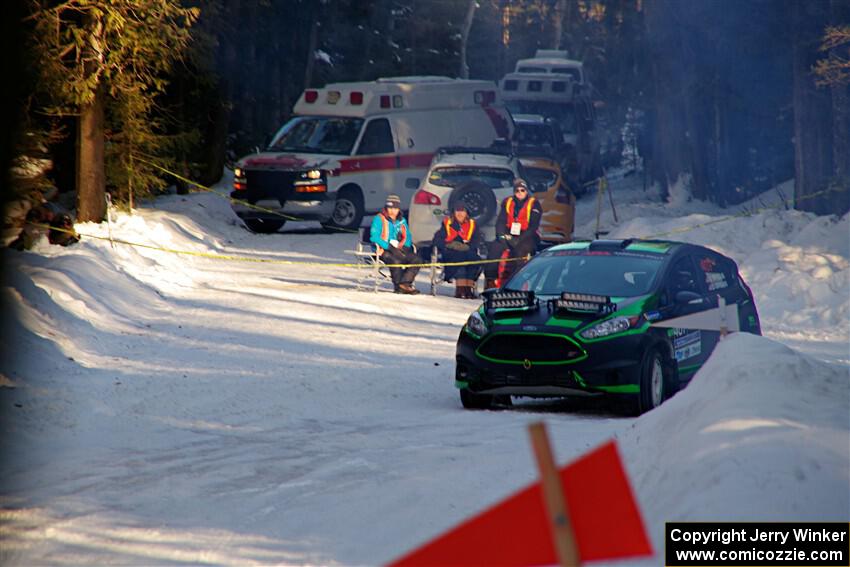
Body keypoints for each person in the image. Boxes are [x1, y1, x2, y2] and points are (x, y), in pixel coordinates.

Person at [484, 178, 542, 289]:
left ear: (526, 191)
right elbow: (501, 221)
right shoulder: (507, 202)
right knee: (495, 249)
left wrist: (519, 239)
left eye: (522, 190)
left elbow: (533, 226)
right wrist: (502, 237)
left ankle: (515, 283)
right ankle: (491, 282)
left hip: (527, 236)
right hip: (509, 233)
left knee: (520, 252)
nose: (520, 193)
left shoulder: (534, 204)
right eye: (517, 190)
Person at [370, 194, 421, 294]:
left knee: (417, 259)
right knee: (395, 260)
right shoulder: (379, 219)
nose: (392, 211)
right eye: (390, 208)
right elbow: (374, 236)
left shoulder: (402, 221)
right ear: (386, 208)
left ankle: (405, 284)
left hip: (400, 248)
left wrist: (404, 246)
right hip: (383, 250)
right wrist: (389, 246)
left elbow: (408, 236)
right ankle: (398, 286)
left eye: (395, 208)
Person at [432, 203, 482, 299]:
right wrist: (451, 245)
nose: (460, 213)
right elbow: (437, 240)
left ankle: (468, 289)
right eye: (457, 211)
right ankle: (461, 289)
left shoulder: (472, 224)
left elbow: (477, 240)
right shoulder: (447, 223)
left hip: (468, 250)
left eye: (462, 211)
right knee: (460, 262)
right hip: (451, 252)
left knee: (475, 261)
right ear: (453, 213)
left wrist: (467, 247)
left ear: (466, 213)